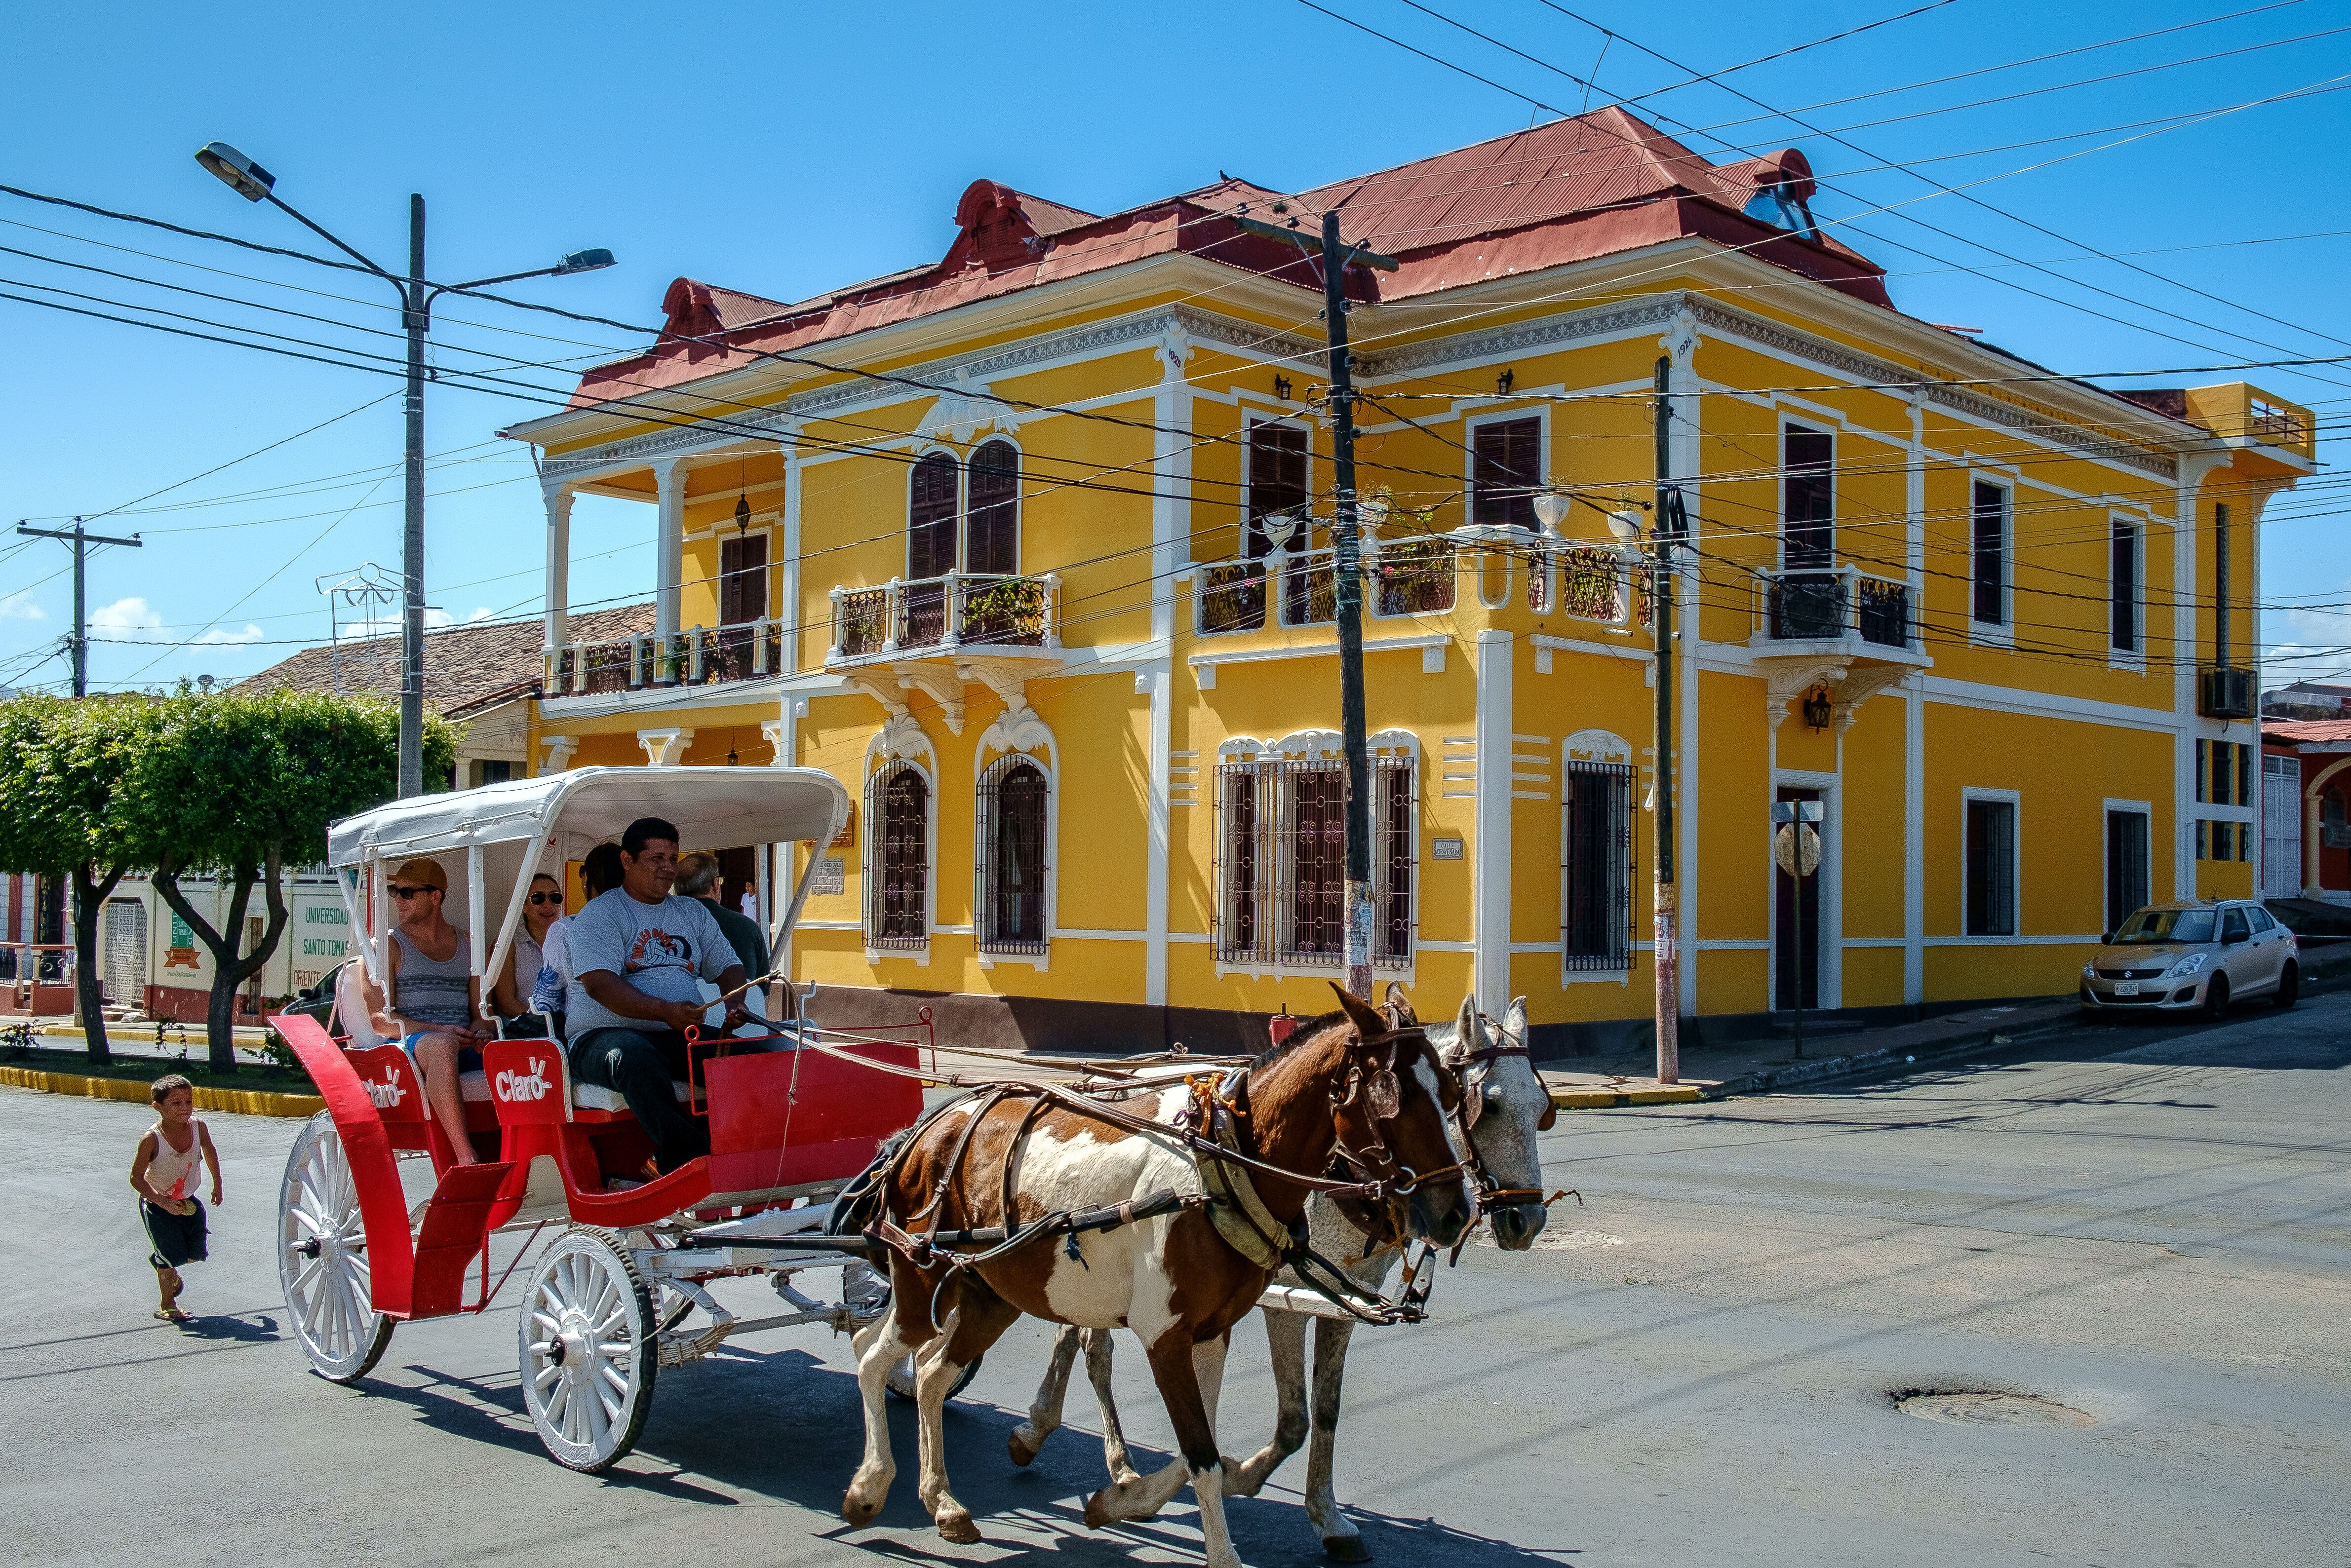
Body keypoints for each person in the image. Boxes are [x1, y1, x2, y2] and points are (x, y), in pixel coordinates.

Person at [565, 818, 747, 1175]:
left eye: (673, 858)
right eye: (657, 858)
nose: (668, 867)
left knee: (751, 1059)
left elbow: (728, 965)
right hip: (598, 1040)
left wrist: (736, 1000)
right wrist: (664, 1011)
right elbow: (599, 985)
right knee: (631, 1055)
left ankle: (742, 1149)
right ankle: (686, 1159)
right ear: (627, 861)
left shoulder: (692, 912)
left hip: (676, 1034)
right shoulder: (600, 915)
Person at [362, 857, 486, 1165]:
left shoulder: (469, 945)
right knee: (442, 1045)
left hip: (463, 1042)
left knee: (520, 1049)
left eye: (407, 893)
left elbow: (481, 1010)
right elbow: (381, 1021)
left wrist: (481, 1031)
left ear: (436, 896)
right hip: (409, 1047)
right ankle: (465, 1157)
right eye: (395, 891)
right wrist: (438, 1030)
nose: (398, 900)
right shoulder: (386, 947)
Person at [129, 1074, 221, 1323]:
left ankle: (163, 1263)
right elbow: (137, 1179)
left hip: (188, 1201)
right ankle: (168, 1304)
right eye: (176, 1103)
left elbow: (209, 1150)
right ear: (157, 1106)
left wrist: (217, 1184)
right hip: (157, 1205)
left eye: (188, 1102)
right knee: (169, 1256)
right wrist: (162, 1201)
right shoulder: (151, 1139)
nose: (185, 1108)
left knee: (194, 1254)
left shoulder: (198, 1127)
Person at [673, 850, 770, 1015]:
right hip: (738, 1028)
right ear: (715, 884)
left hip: (682, 1026)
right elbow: (761, 994)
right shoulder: (748, 928)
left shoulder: (664, 925)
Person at [492, 871, 566, 1030]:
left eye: (555, 897)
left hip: (564, 1029)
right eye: (538, 898)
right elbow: (506, 1003)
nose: (548, 904)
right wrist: (545, 1023)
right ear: (524, 906)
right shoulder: (508, 944)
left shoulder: (570, 941)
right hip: (524, 1031)